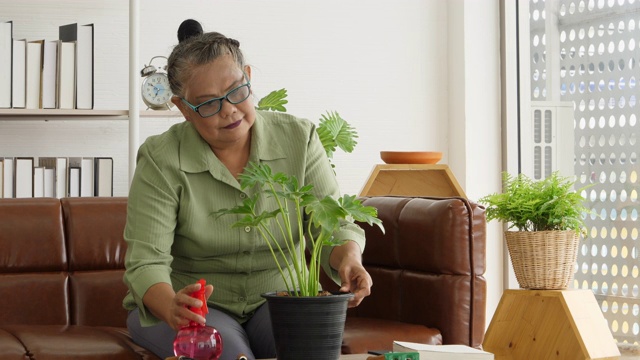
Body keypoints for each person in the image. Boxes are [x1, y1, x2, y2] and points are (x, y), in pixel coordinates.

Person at [122, 19, 372, 360]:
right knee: (224, 351)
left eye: (236, 91)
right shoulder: (161, 158)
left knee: (306, 344)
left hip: (280, 300)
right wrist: (172, 306)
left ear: (249, 77)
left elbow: (330, 225)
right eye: (208, 104)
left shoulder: (299, 138)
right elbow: (145, 261)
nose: (229, 111)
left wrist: (348, 259)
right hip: (194, 308)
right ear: (182, 108)